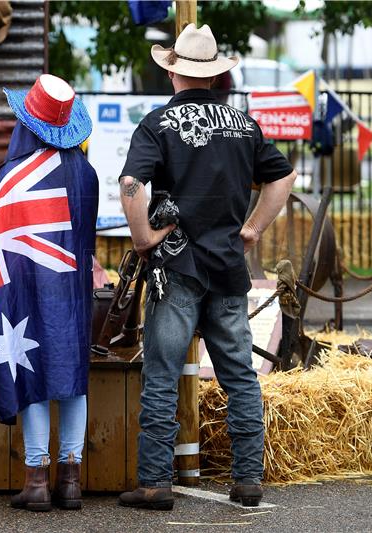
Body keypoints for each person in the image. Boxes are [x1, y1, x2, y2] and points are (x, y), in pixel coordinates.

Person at [116, 24, 296, 510]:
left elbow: (131, 183)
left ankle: (155, 483)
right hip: (228, 268)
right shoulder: (244, 124)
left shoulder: (156, 124)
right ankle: (248, 480)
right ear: (215, 77)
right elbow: (283, 178)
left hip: (176, 268)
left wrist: (143, 238)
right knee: (240, 376)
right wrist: (254, 227)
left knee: (162, 376)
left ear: (173, 73)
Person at [0, 74, 98, 512]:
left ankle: (36, 481)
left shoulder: (11, 175)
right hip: (72, 292)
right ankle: (71, 480)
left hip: (24, 290)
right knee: (71, 376)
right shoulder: (86, 174)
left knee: (31, 372)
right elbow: (84, 242)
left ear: (25, 124)